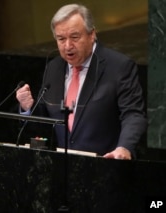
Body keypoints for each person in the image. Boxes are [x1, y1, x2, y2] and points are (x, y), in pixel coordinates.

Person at [16, 4, 147, 160]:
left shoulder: (119, 66)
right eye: (61, 39)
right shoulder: (54, 68)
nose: (68, 46)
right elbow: (45, 125)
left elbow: (133, 114)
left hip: (105, 165)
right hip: (63, 170)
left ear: (92, 35)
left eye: (75, 37)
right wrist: (28, 108)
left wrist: (124, 148)